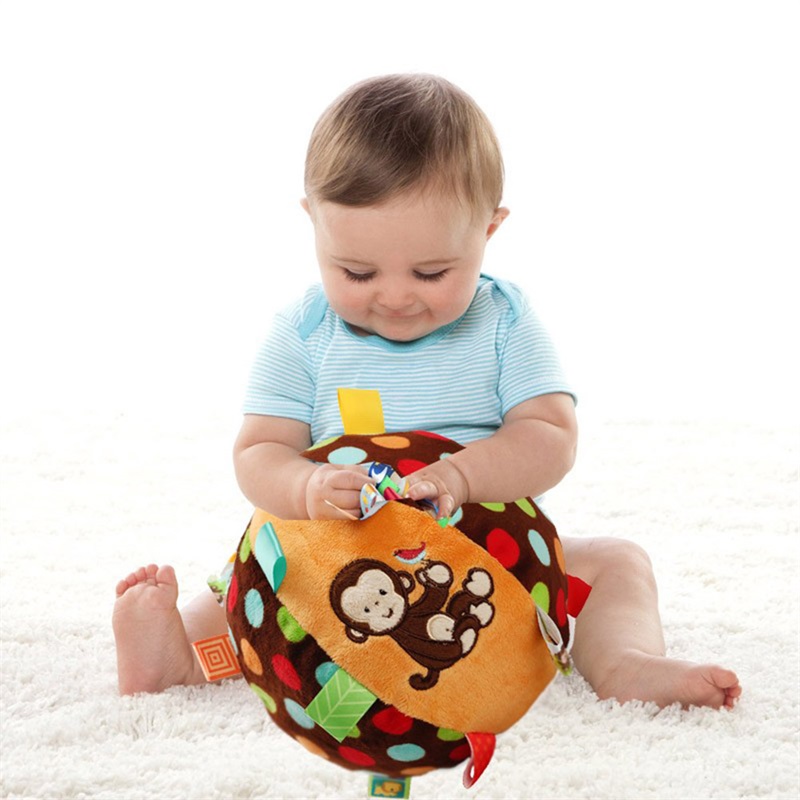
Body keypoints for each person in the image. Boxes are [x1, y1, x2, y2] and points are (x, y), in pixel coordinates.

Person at [113, 73, 741, 710]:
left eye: (431, 272)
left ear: (488, 231)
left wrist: (463, 476)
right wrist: (305, 488)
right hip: (337, 563)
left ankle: (626, 662)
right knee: (251, 584)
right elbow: (259, 451)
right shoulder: (305, 332)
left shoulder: (505, 323)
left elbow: (550, 435)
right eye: (357, 271)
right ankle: (178, 658)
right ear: (314, 225)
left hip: (488, 562)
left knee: (618, 562)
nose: (395, 296)